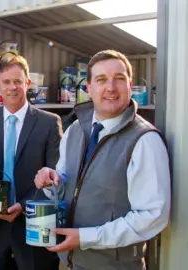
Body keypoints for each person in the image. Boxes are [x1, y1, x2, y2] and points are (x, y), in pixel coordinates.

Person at [34, 49, 171, 270]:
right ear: (89, 88)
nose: (111, 87)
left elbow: (152, 216)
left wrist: (87, 238)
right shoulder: (75, 130)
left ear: (129, 84)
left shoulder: (144, 140)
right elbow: (66, 185)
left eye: (119, 79)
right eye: (101, 80)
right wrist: (52, 182)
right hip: (69, 262)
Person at [0, 54, 63, 270]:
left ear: (28, 83)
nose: (12, 87)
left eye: (18, 81)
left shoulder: (48, 123)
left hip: (35, 224)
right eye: (6, 82)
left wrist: (24, 204)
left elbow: (57, 176)